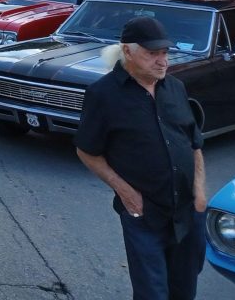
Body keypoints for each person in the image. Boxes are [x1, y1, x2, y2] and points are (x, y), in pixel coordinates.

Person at [77, 17, 207, 300]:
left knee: (184, 290)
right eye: (152, 54)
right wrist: (125, 192)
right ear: (127, 51)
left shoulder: (175, 88)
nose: (162, 61)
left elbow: (194, 142)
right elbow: (87, 150)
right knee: (152, 293)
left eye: (165, 53)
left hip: (187, 211)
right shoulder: (103, 94)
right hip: (144, 214)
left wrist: (199, 194)